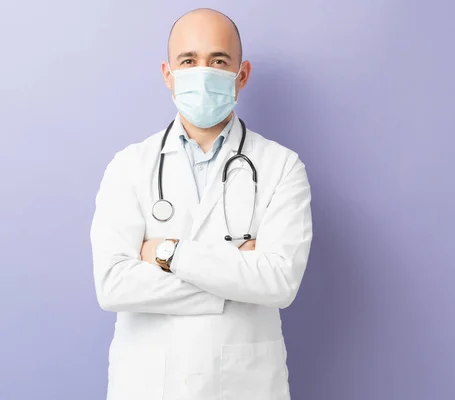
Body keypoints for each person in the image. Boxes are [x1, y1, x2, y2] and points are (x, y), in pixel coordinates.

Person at [90, 8, 313, 400]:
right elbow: (113, 286)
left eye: (218, 61)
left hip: (244, 385)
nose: (202, 71)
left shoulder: (281, 166)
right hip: (148, 385)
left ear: (241, 75)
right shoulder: (129, 165)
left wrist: (165, 251)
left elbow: (279, 282)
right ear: (168, 74)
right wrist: (236, 275)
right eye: (188, 61)